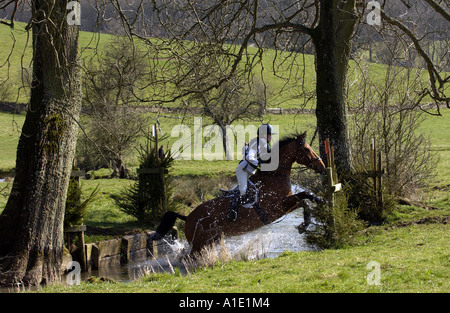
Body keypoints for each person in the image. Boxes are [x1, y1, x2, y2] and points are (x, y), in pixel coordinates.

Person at [227, 123, 275, 222]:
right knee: (243, 190)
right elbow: (249, 157)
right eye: (269, 134)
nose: (271, 137)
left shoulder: (266, 145)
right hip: (243, 170)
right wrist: (259, 163)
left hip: (250, 172)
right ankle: (232, 211)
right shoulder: (256, 143)